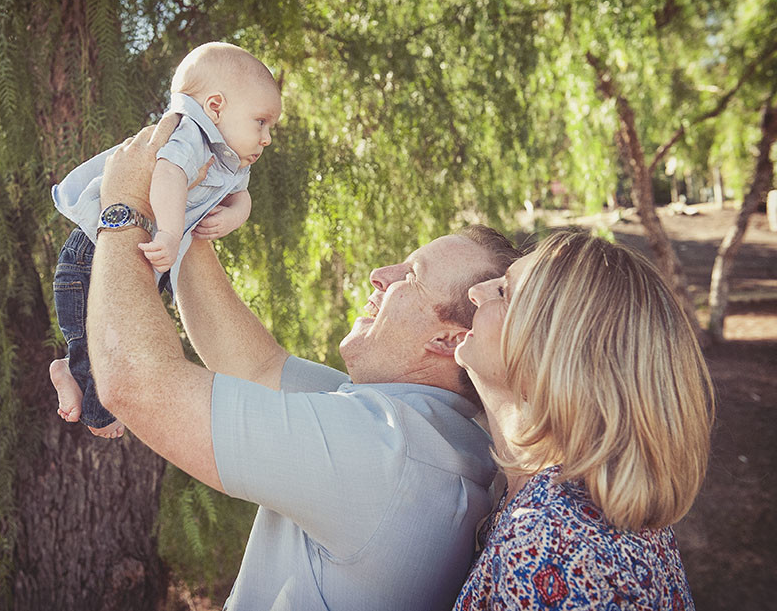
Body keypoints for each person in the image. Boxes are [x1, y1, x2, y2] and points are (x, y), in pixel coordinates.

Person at [48, 117, 523, 609]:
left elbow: (135, 382)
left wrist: (124, 208)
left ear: (450, 339)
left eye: (412, 277)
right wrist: (187, 215)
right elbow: (255, 366)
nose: (381, 275)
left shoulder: (382, 450)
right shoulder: (438, 429)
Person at [452, 231, 714, 610]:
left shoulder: (550, 542)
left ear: (551, 354)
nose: (476, 292)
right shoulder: (573, 504)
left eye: (504, 293)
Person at [49, 42, 281, 437]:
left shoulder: (230, 159)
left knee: (109, 337)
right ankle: (96, 410)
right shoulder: (189, 134)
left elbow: (243, 195)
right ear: (216, 108)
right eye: (260, 122)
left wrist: (234, 214)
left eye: (270, 128)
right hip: (91, 254)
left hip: (125, 256)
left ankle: (68, 370)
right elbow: (169, 174)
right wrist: (172, 233)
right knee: (103, 340)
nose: (267, 138)